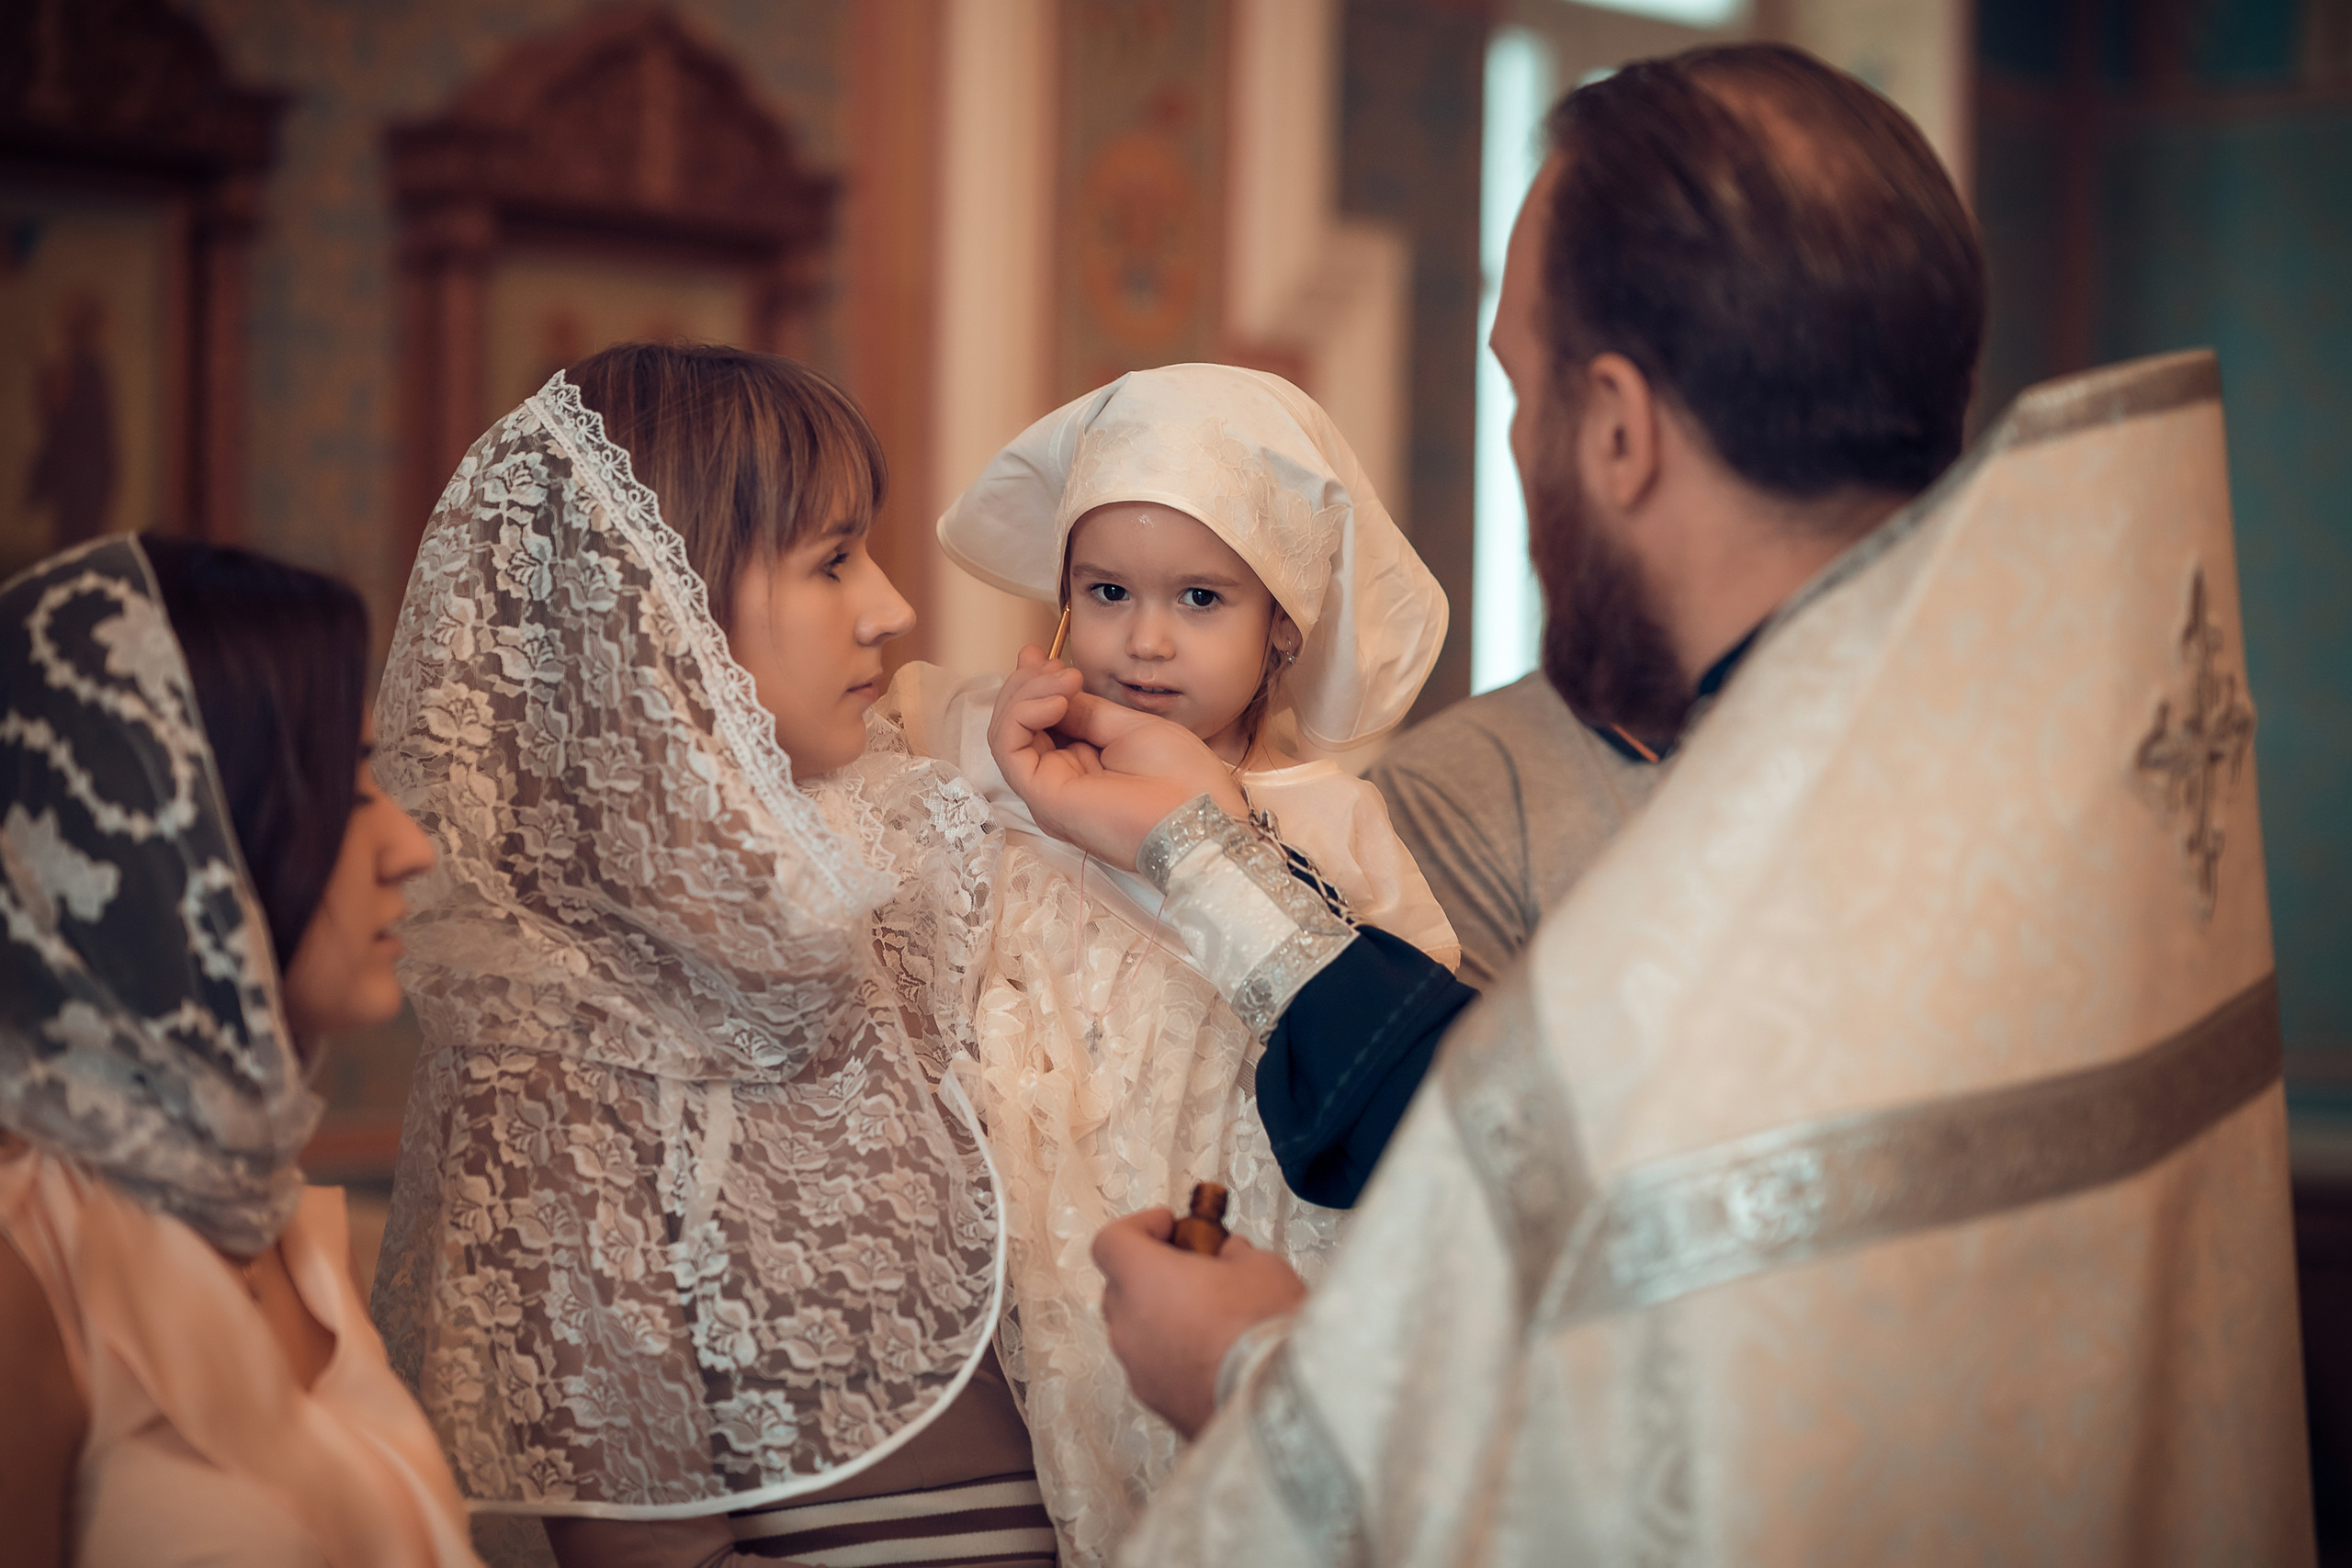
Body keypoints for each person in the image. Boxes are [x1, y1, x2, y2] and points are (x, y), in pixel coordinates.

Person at [1008, 43, 2310, 1564]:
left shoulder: (1721, 908)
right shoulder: (2065, 771)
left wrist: (1247, 1374)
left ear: (1616, 428)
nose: (1515, 440)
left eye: (1519, 384)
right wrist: (1195, 841)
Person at [370, 344, 1071, 1568]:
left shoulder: (905, 869)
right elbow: (650, 1552)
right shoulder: (546, 1037)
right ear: (662, 610)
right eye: (833, 558)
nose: (893, 606)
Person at [895, 364, 1456, 1565]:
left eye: (1201, 596)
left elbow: (1395, 1054)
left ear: (1282, 626)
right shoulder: (993, 753)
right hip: (1023, 1276)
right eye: (1107, 592)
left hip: (1227, 1246)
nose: (1146, 637)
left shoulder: (1332, 822)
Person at [0, 534, 473, 1566]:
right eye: (351, 793)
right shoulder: (27, 1265)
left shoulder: (271, 1218)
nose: (411, 846)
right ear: (174, 834)